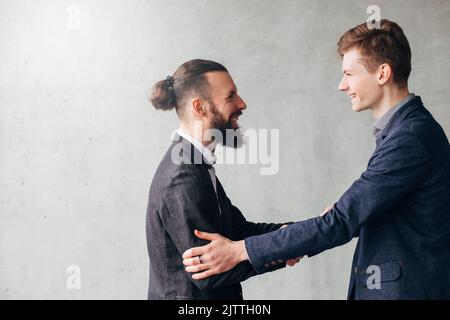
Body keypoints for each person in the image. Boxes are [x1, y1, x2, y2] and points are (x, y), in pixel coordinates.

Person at [182, 20, 450, 299]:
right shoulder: (406, 130)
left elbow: (341, 222)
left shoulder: (409, 137)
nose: (342, 85)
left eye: (349, 74)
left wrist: (240, 250)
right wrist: (335, 218)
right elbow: (372, 215)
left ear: (382, 73)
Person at [146, 59, 299, 300]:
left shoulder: (196, 164)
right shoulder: (182, 176)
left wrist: (300, 234)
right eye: (231, 96)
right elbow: (209, 273)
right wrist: (285, 247)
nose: (242, 104)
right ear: (200, 107)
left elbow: (237, 232)